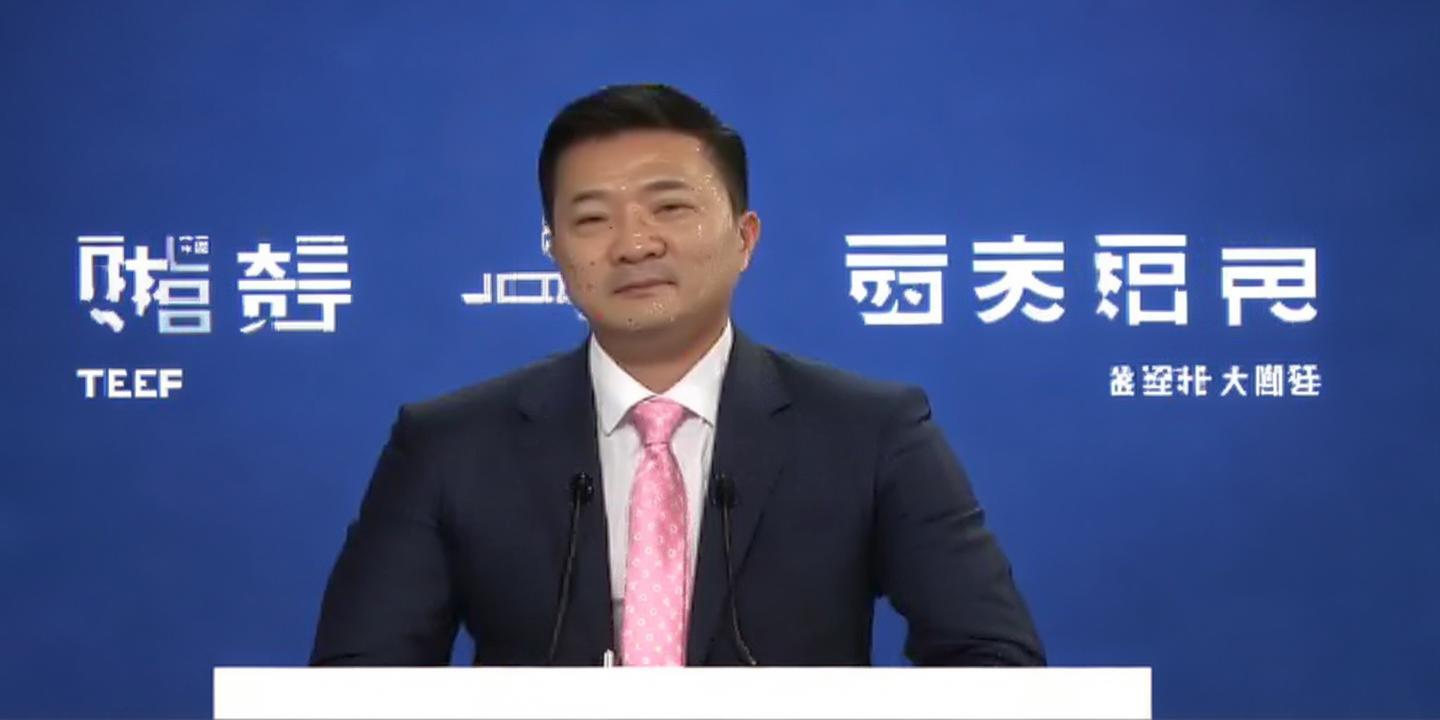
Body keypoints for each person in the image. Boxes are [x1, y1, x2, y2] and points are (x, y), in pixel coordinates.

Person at [310, 84, 1044, 667]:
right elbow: (355, 685)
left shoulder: (872, 433)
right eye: (592, 219)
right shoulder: (448, 447)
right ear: (555, 251)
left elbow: (993, 662)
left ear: (744, 239)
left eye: (669, 207)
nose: (634, 244)